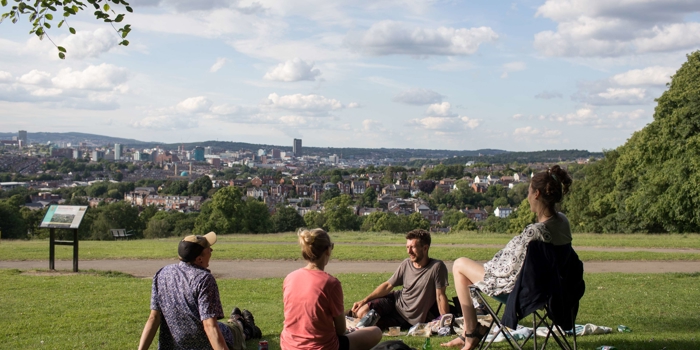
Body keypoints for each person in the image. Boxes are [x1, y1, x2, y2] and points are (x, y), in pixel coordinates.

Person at [441, 165, 573, 350]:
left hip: (524, 293)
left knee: (459, 265)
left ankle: (470, 335)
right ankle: (468, 333)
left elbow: (511, 270)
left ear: (536, 194)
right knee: (468, 269)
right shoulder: (563, 222)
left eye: (528, 192)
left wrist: (490, 267)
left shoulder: (535, 232)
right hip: (555, 290)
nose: (527, 198)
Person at [138, 232, 259, 350]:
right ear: (199, 259)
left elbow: (154, 318)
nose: (211, 251)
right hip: (205, 342)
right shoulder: (204, 279)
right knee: (234, 332)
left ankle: (239, 322)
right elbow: (209, 326)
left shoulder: (162, 274)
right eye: (208, 249)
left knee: (225, 328)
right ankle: (243, 326)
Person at [281, 228, 382, 350]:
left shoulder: (290, 278)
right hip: (322, 347)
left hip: (288, 345)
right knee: (375, 332)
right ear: (328, 250)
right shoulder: (330, 283)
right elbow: (340, 331)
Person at [351, 229, 450, 330]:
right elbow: (388, 285)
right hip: (395, 301)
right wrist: (364, 300)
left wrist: (445, 322)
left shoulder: (437, 267)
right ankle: (347, 316)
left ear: (425, 248)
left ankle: (352, 322)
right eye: (407, 247)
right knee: (362, 312)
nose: (409, 251)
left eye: (413, 247)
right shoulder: (406, 264)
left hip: (408, 318)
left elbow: (440, 296)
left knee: (371, 325)